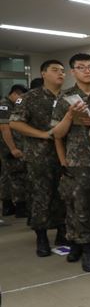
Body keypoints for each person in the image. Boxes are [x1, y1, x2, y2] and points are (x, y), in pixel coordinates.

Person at [51, 53, 90, 271]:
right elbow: (57, 134)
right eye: (81, 67)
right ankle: (86, 248)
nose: (87, 71)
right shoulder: (65, 98)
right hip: (78, 163)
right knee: (81, 207)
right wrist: (69, 116)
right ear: (73, 71)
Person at [10, 60, 67, 256]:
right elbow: (15, 123)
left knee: (63, 195)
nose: (60, 74)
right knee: (40, 197)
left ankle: (62, 232)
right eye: (55, 70)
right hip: (39, 156)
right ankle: (41, 237)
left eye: (62, 71)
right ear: (43, 73)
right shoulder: (29, 98)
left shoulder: (68, 97)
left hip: (65, 155)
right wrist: (42, 135)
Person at [0, 84, 29, 218]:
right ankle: (19, 207)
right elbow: (5, 128)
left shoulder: (11, 105)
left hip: (13, 146)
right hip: (10, 147)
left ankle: (9, 206)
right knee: (17, 177)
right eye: (20, 97)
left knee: (9, 176)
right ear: (15, 94)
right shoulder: (4, 105)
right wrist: (13, 148)